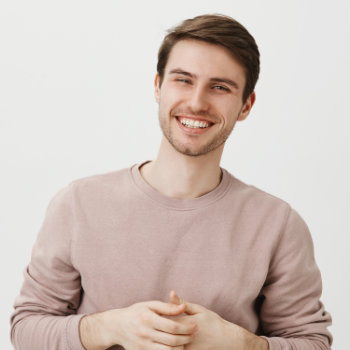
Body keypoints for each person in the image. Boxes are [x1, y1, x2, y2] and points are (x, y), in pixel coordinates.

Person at [10, 14, 332, 350]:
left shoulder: (278, 225)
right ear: (157, 86)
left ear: (246, 105)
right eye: (183, 80)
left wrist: (239, 343)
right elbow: (27, 328)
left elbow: (312, 343)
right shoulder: (78, 203)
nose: (196, 102)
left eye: (220, 87)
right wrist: (110, 328)